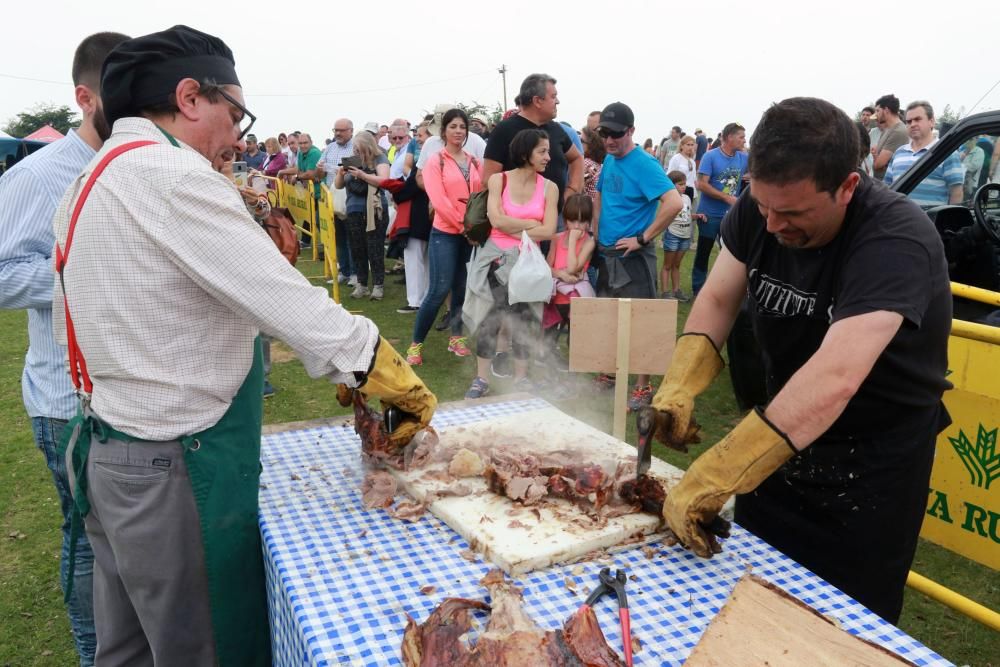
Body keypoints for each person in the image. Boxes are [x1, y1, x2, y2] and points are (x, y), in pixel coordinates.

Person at [51, 25, 435, 665]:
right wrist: (376, 364)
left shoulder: (94, 177)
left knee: (129, 650)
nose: (238, 135)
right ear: (190, 97)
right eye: (236, 114)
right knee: (208, 649)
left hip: (110, 450)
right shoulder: (170, 176)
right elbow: (286, 297)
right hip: (173, 464)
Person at [652, 97, 951, 625]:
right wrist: (681, 382)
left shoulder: (895, 239)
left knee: (841, 632)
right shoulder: (759, 209)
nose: (771, 226)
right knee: (748, 605)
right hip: (777, 439)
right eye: (764, 207)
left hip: (869, 469)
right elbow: (719, 297)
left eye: (791, 214)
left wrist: (718, 471)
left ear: (847, 187)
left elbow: (835, 377)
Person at [0, 31, 130, 667]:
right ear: (85, 97)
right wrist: (79, 272)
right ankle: (93, 653)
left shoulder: (136, 164)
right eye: (123, 92)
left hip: (129, 394)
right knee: (87, 543)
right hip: (66, 401)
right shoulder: (39, 174)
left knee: (126, 545)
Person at [592, 102, 682, 409]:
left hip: (634, 257)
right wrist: (594, 233)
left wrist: (643, 238)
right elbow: (602, 195)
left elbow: (673, 202)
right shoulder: (609, 158)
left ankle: (643, 387)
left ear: (631, 131)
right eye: (605, 133)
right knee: (607, 316)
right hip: (606, 252)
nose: (609, 140)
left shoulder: (644, 164)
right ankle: (610, 375)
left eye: (616, 134)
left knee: (642, 321)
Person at [464, 128, 558, 398]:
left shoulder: (549, 187)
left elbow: (550, 229)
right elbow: (496, 220)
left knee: (523, 321)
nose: (547, 157)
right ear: (525, 153)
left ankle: (520, 379)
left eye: (547, 151)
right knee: (489, 320)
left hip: (528, 265)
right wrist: (531, 225)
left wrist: (515, 228)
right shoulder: (499, 181)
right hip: (495, 260)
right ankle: (481, 379)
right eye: (542, 151)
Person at [405, 109, 482, 363]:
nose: (459, 131)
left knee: (461, 287)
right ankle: (416, 345)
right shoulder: (434, 161)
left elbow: (480, 195)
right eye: (453, 126)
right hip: (446, 233)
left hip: (469, 234)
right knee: (438, 290)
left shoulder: (473, 161)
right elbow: (438, 200)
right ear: (443, 131)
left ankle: (457, 338)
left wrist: (475, 228)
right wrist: (463, 227)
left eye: (462, 126)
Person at [482, 74, 584, 206]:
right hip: (515, 220)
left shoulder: (556, 129)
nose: (557, 101)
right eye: (553, 97)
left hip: (555, 218)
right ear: (537, 101)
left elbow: (576, 158)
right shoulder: (503, 130)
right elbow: (488, 180)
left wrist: (571, 191)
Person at [692, 122, 748, 296]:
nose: (744, 141)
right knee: (704, 252)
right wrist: (726, 197)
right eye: (741, 137)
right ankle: (698, 289)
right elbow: (701, 184)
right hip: (709, 215)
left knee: (731, 254)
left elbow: (756, 172)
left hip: (731, 216)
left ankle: (725, 290)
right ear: (729, 137)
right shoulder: (711, 156)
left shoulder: (743, 157)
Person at [542, 193, 596, 376]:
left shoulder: (589, 242)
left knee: (575, 338)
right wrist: (561, 274)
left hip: (576, 300)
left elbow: (574, 267)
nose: (578, 226)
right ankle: (550, 373)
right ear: (565, 220)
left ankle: (575, 375)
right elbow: (548, 267)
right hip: (555, 298)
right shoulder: (556, 238)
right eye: (573, 221)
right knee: (549, 338)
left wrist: (573, 241)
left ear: (589, 222)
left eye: (582, 221)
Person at [335, 130, 390, 299]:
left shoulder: (379, 159)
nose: (356, 153)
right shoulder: (353, 162)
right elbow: (338, 186)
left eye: (359, 150)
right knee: (357, 249)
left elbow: (384, 181)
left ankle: (378, 285)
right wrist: (341, 174)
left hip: (374, 209)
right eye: (355, 150)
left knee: (375, 248)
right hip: (353, 210)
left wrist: (362, 175)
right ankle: (362, 284)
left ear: (368, 147)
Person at [884, 101, 963, 207]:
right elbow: (887, 187)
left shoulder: (946, 152)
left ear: (932, 121)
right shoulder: (899, 153)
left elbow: (956, 193)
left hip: (932, 221)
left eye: (917, 119)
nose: (912, 124)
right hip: (899, 221)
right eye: (908, 121)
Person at [316, 118, 357, 286]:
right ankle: (344, 271)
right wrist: (320, 170)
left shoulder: (356, 147)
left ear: (351, 131)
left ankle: (355, 273)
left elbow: (353, 172)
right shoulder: (329, 148)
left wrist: (332, 169)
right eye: (335, 130)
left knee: (352, 237)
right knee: (337, 237)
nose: (338, 133)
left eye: (341, 130)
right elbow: (319, 175)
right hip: (331, 197)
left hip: (349, 196)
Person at [660, 170, 705, 301]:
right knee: (667, 265)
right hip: (673, 235)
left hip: (685, 237)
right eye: (680, 184)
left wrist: (696, 216)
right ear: (671, 185)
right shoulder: (667, 199)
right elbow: (663, 217)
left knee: (677, 265)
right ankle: (665, 292)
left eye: (684, 183)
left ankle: (676, 290)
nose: (684, 186)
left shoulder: (686, 198)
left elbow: (686, 216)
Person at [871, 94, 908, 180]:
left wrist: (875, 154)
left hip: (888, 186)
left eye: (877, 111)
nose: (876, 114)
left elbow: (878, 165)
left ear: (886, 110)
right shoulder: (888, 129)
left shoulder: (898, 131)